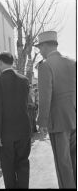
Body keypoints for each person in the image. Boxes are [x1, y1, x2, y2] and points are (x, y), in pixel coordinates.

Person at [35, 31, 76, 188]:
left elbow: (45, 96)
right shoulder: (73, 63)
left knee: (63, 165)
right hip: (74, 119)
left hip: (57, 123)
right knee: (74, 161)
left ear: (45, 46)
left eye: (40, 47)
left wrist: (42, 122)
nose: (40, 51)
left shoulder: (45, 66)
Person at [0, 51, 31, 188]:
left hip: (5, 133)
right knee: (23, 164)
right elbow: (25, 105)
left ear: (0, 63)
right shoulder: (24, 80)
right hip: (24, 130)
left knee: (8, 168)